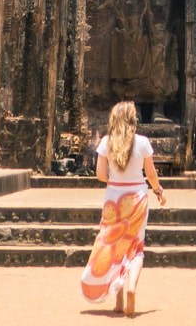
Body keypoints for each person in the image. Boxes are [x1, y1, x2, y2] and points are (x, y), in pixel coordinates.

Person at [81, 100, 166, 317]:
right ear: (133, 120)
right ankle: (130, 288)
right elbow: (151, 174)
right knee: (135, 248)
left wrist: (116, 180)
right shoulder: (143, 142)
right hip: (137, 197)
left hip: (114, 198)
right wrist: (158, 191)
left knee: (114, 246)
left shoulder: (106, 142)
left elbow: (100, 175)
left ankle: (118, 301)